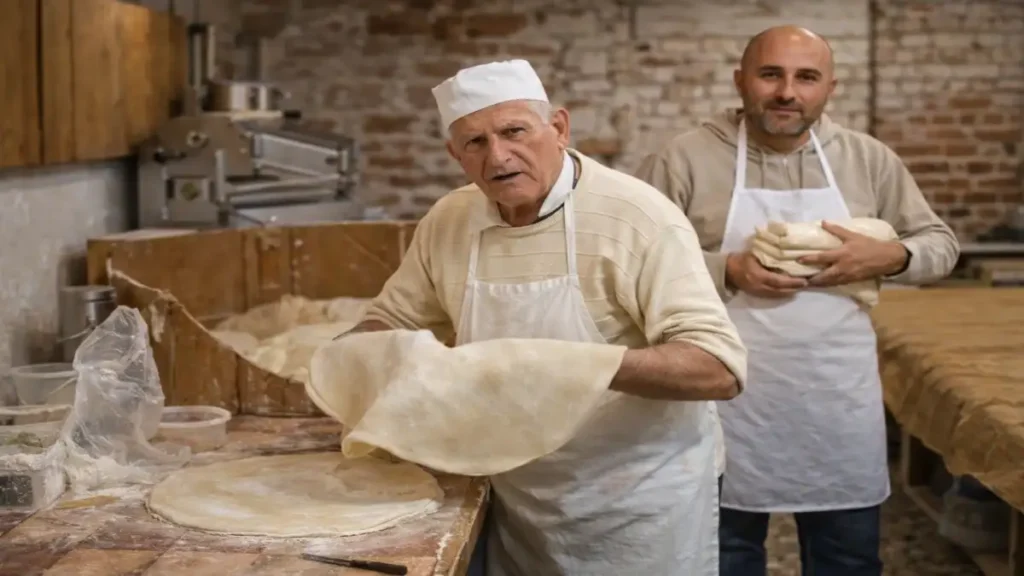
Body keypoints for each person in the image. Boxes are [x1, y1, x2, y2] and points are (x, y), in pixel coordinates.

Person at [341, 59, 748, 575]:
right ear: (454, 154)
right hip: (517, 493)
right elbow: (389, 320)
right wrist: (361, 357)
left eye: (514, 132)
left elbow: (718, 367)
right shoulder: (450, 220)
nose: (499, 156)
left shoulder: (638, 217)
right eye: (475, 143)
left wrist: (579, 366)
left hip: (636, 501)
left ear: (558, 127)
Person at [634, 26, 960, 576]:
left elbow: (941, 244)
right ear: (741, 81)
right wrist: (728, 268)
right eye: (770, 74)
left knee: (847, 559)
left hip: (834, 399)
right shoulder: (684, 159)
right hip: (721, 402)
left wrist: (888, 258)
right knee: (726, 555)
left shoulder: (866, 158)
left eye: (806, 77)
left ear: (829, 87)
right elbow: (637, 263)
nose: (788, 92)